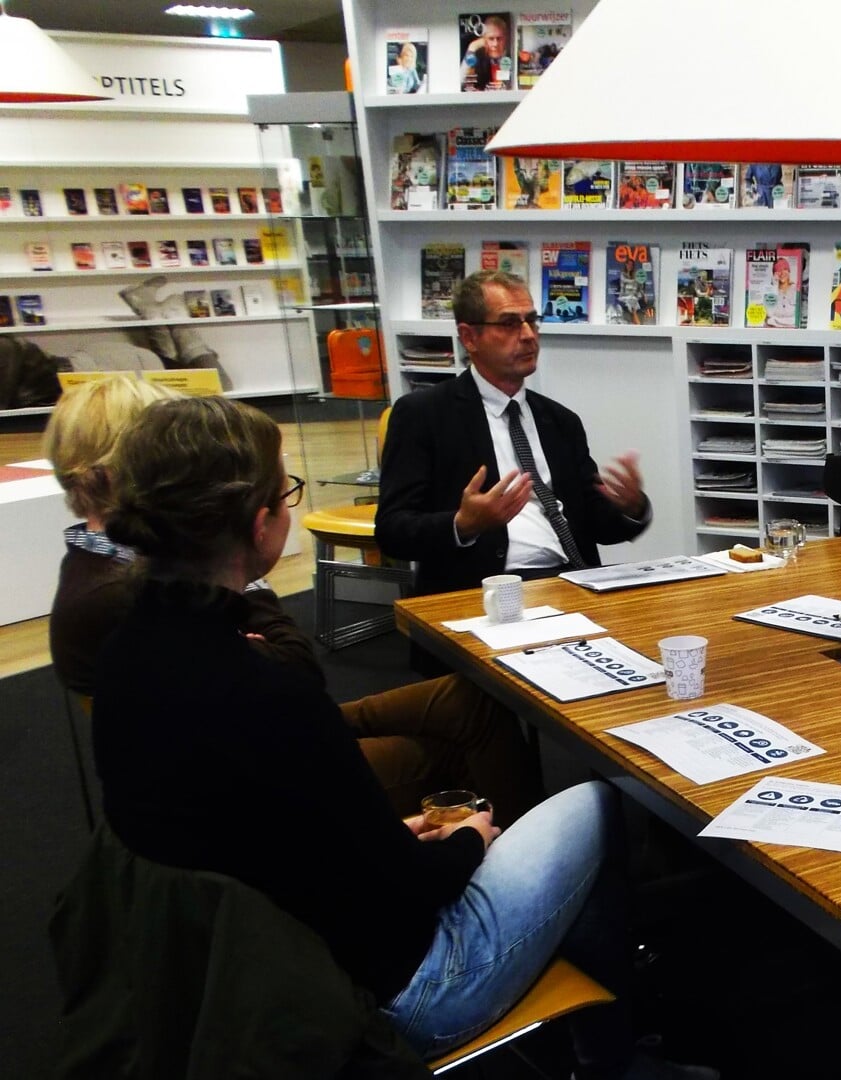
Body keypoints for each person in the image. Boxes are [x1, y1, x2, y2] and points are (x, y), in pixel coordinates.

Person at [89, 397, 698, 1077]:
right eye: (286, 490)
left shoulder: (123, 659)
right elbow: (409, 890)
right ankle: (612, 1059)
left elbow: (256, 834)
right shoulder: (268, 692)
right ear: (261, 521)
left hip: (234, 977)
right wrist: (471, 839)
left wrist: (393, 838)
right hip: (389, 994)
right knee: (598, 802)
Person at [42, 375, 541, 824]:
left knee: (471, 696)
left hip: (255, 731)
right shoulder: (131, 593)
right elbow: (291, 674)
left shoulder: (127, 573)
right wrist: (242, 569)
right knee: (461, 749)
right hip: (257, 763)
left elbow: (275, 670)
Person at [377, 270, 650, 598]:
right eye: (509, 324)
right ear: (469, 337)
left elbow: (596, 524)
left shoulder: (560, 421)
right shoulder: (424, 415)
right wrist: (464, 523)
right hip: (487, 589)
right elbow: (393, 531)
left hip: (574, 582)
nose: (528, 335)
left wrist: (630, 508)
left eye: (532, 321)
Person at [462, 14, 510, 90]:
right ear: (484, 40)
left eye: (499, 38)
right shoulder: (477, 58)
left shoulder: (511, 57)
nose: (495, 44)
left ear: (506, 38)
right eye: (491, 39)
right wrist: (472, 48)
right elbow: (461, 83)